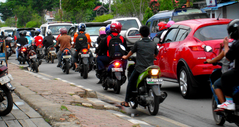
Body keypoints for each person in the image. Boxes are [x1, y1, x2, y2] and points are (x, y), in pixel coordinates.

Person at [120, 25, 158, 107]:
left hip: (140, 68)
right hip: (151, 68)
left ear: (140, 34)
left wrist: (126, 57)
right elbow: (155, 54)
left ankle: (126, 101)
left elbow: (131, 51)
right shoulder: (153, 43)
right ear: (149, 33)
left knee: (130, 82)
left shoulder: (138, 43)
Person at [206, 40, 235, 111]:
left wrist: (225, 46)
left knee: (217, 84)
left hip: (232, 73)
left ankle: (226, 104)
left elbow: (223, 57)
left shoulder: (233, 46)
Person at [217, 19, 239, 110]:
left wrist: (225, 45)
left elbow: (228, 57)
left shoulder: (236, 44)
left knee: (225, 77)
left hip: (237, 71)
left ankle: (229, 102)